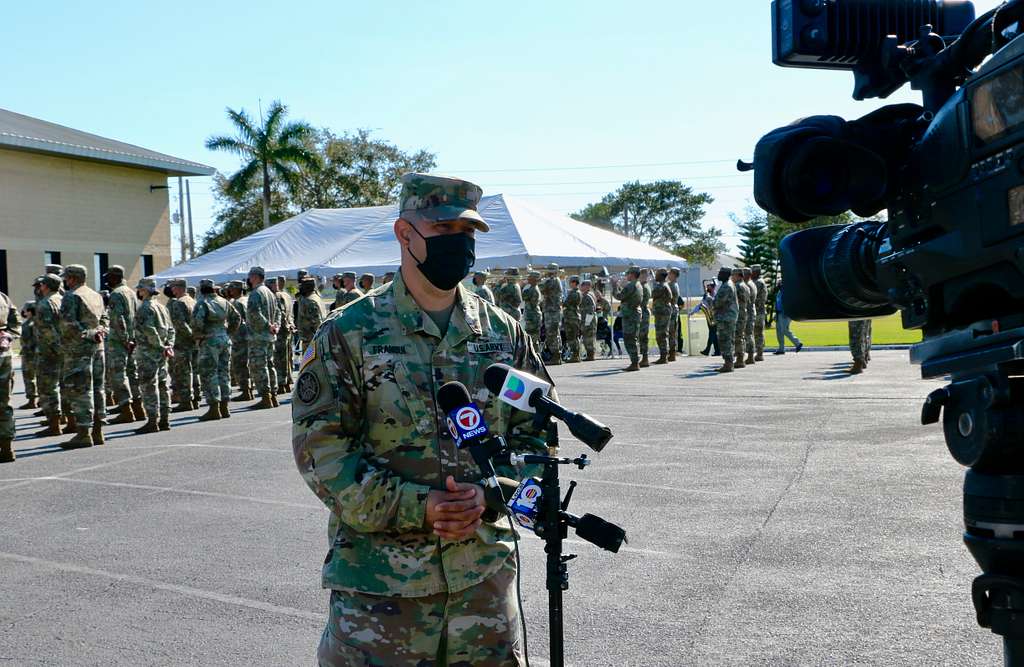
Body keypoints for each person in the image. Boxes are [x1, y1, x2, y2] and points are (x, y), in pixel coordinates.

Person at [293, 173, 551, 665]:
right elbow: (321, 453)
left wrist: (493, 495)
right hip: (382, 599)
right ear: (404, 234)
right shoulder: (349, 333)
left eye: (467, 232)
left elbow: (539, 435)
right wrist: (421, 507)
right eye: (444, 229)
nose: (459, 243)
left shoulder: (502, 334)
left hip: (483, 587)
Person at [58, 264, 108, 448]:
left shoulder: (72, 296)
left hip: (78, 350)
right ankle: (98, 431)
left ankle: (83, 433)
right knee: (98, 389)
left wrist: (87, 334)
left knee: (80, 390)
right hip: (98, 347)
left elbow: (68, 323)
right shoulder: (95, 295)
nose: (65, 280)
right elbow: (105, 318)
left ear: (72, 278)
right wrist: (99, 331)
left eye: (67, 277)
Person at [192, 279, 238, 420]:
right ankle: (224, 406)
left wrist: (199, 334)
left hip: (209, 340)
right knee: (224, 372)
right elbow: (237, 317)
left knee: (209, 373)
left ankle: (214, 408)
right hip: (224, 339)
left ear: (202, 289)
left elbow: (197, 322)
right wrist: (228, 332)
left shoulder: (203, 302)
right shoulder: (224, 301)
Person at [133, 278, 174, 433]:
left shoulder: (145, 308)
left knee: (149, 386)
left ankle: (152, 420)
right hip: (161, 352)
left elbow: (150, 330)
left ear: (145, 290)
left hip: (148, 352)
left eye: (140, 289)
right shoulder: (162, 307)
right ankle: (164, 419)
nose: (139, 291)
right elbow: (171, 329)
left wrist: (160, 346)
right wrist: (168, 345)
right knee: (163, 385)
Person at [105, 265, 141, 424]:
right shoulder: (131, 292)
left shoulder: (116, 294)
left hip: (120, 341)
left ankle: (126, 409)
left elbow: (118, 319)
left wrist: (125, 339)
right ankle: (139, 408)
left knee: (119, 375)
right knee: (132, 374)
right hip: (131, 339)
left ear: (114, 277)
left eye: (108, 277)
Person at [33, 275, 64, 436]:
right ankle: (63, 419)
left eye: (42, 284)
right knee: (62, 387)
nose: (40, 287)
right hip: (63, 349)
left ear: (46, 286)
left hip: (49, 352)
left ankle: (54, 424)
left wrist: (55, 350)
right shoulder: (62, 299)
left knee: (47, 388)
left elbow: (47, 331)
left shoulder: (45, 303)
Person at [245, 266, 280, 410]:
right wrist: (275, 326)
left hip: (259, 336)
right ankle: (273, 395)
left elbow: (254, 313)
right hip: (269, 336)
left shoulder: (256, 293)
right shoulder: (270, 293)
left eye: (250, 276)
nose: (249, 278)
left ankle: (266, 397)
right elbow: (278, 312)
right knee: (270, 365)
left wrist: (268, 326)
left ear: (255, 277)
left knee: (259, 366)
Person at [167, 279, 197, 413]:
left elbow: (180, 324)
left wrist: (191, 335)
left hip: (182, 342)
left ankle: (186, 401)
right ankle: (195, 398)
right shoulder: (192, 300)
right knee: (193, 371)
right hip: (193, 342)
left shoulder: (179, 303)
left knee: (183, 373)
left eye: (173, 287)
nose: (172, 290)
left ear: (178, 288)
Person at [0, 290, 20, 463]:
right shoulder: (3, 297)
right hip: (4, 353)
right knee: (4, 401)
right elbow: (16, 320)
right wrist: (9, 335)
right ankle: (7, 448)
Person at [226, 280, 252, 400]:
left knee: (240, 365)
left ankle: (246, 390)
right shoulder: (247, 300)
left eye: (232, 288)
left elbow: (235, 321)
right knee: (246, 364)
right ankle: (248, 389)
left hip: (239, 337)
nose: (230, 291)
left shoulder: (237, 303)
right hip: (248, 336)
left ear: (237, 289)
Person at [615, 267, 643, 372]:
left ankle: (635, 362)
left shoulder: (631, 285)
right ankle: (635, 362)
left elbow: (619, 296)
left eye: (628, 274)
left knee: (629, 338)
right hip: (633, 314)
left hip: (630, 315)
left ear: (632, 274)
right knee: (632, 338)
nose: (627, 276)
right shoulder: (637, 284)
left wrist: (614, 285)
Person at [271, 276, 295, 395]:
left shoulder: (277, 296)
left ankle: (282, 383)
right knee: (286, 357)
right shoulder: (287, 295)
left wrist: (279, 327)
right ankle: (287, 381)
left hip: (281, 331)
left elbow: (280, 313)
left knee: (279, 359)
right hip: (287, 330)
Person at [712, 267, 739, 373]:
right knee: (727, 340)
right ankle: (728, 363)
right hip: (726, 317)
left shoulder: (727, 286)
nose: (718, 275)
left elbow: (718, 303)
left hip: (726, 318)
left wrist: (711, 300)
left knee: (725, 340)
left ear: (726, 274)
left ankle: (728, 364)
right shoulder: (727, 284)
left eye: (720, 273)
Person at [295, 277, 326, 356]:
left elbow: (317, 323)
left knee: (309, 365)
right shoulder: (316, 297)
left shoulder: (309, 301)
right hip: (313, 340)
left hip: (311, 341)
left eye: (302, 286)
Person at [540, 263, 563, 365]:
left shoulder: (552, 281)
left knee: (552, 334)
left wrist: (540, 279)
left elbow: (542, 288)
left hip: (552, 311)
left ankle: (555, 356)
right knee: (554, 334)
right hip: (552, 310)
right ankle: (556, 356)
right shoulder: (554, 280)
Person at [690, 282, 718, 356]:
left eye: (709, 287)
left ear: (713, 288)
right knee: (713, 334)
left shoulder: (716, 295)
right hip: (709, 317)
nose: (707, 288)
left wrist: (709, 298)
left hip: (715, 317)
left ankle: (707, 350)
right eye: (707, 287)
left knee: (712, 333)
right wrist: (693, 312)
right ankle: (717, 351)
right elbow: (701, 305)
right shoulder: (706, 295)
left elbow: (715, 303)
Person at [650, 268, 672, 364]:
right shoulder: (664, 285)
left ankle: (663, 357)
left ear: (661, 276)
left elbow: (653, 293)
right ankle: (664, 356)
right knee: (662, 334)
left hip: (662, 313)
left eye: (657, 274)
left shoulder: (661, 286)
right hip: (662, 312)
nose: (655, 276)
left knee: (661, 335)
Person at [773, 288, 803, 354]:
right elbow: (778, 303)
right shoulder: (779, 292)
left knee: (784, 330)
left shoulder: (788, 291)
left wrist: (786, 313)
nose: (779, 284)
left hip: (786, 314)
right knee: (779, 331)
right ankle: (781, 349)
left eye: (780, 283)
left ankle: (798, 343)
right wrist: (776, 313)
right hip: (779, 313)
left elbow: (789, 303)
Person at [19, 301, 37, 409]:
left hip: (29, 354)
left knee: (29, 377)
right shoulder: (39, 322)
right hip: (39, 353)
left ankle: (32, 400)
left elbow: (26, 340)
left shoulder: (27, 324)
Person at [522, 270, 543, 352]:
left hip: (533, 316)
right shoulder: (532, 288)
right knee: (532, 338)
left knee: (532, 338)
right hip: (533, 315)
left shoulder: (532, 289)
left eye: (530, 277)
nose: (528, 279)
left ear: (534, 279)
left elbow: (524, 296)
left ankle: (535, 356)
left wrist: (523, 285)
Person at [733, 267, 749, 369]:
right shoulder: (745, 286)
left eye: (733, 275)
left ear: (738, 275)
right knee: (741, 336)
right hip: (744, 312)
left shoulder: (738, 286)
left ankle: (739, 359)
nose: (732, 277)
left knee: (738, 337)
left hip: (739, 314)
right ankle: (740, 358)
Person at [563, 275, 582, 362]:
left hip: (572, 317)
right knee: (574, 337)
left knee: (572, 337)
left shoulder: (574, 293)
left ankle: (575, 355)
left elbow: (566, 303)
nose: (569, 284)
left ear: (574, 283)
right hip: (573, 316)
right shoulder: (575, 292)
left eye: (570, 282)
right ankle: (576, 355)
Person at [751, 265, 768, 361]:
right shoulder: (760, 282)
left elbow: (754, 298)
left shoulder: (758, 282)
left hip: (758, 311)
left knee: (758, 333)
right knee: (758, 333)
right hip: (760, 311)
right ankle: (759, 353)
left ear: (756, 272)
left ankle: (759, 354)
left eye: (752, 272)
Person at [579, 278, 598, 361]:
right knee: (588, 337)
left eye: (583, 285)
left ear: (587, 286)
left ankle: (591, 355)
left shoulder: (587, 296)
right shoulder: (589, 294)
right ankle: (590, 354)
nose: (581, 287)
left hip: (589, 320)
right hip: (589, 319)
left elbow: (590, 310)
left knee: (588, 338)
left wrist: (587, 322)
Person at [666, 267, 682, 362]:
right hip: (674, 309)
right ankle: (672, 353)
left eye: (670, 273)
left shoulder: (671, 285)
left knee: (671, 332)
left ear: (674, 275)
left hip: (671, 310)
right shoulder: (674, 284)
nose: (668, 275)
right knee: (672, 333)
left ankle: (672, 353)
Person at [637, 268, 652, 367]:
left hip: (643, 312)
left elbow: (640, 300)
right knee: (642, 336)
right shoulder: (644, 286)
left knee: (643, 336)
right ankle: (644, 357)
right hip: (644, 311)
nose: (640, 277)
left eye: (642, 275)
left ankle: (645, 358)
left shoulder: (643, 287)